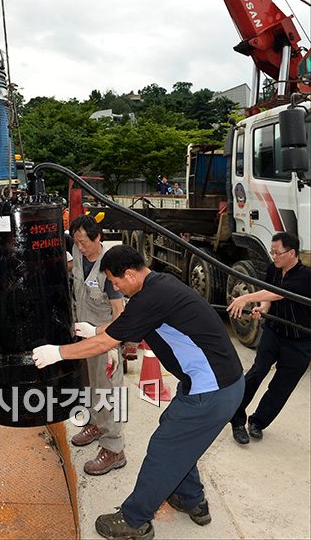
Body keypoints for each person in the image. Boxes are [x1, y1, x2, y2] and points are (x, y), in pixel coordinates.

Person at [32, 245, 244, 540]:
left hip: (211, 391)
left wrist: (59, 352)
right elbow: (123, 327)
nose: (115, 288)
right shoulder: (159, 286)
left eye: (116, 282)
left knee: (163, 450)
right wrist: (95, 330)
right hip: (216, 385)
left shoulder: (151, 297)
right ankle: (192, 500)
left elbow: (106, 344)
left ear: (130, 273)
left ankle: (135, 520)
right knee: (179, 441)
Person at [227, 231, 311, 445]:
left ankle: (258, 422)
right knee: (257, 372)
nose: (273, 256)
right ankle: (237, 420)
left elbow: (280, 293)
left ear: (292, 253)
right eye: (272, 252)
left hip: (300, 341)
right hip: (274, 332)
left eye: (277, 253)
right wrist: (262, 308)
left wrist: (245, 298)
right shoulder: (275, 269)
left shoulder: (305, 276)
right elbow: (269, 295)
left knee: (281, 387)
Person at [66, 215, 126, 476]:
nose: (80, 248)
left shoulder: (110, 268)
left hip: (104, 339)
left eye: (84, 243)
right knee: (89, 385)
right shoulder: (77, 254)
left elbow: (119, 314)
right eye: (76, 242)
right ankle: (94, 425)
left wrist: (111, 342)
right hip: (83, 336)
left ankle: (114, 449)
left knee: (108, 391)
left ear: (98, 237)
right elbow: (72, 270)